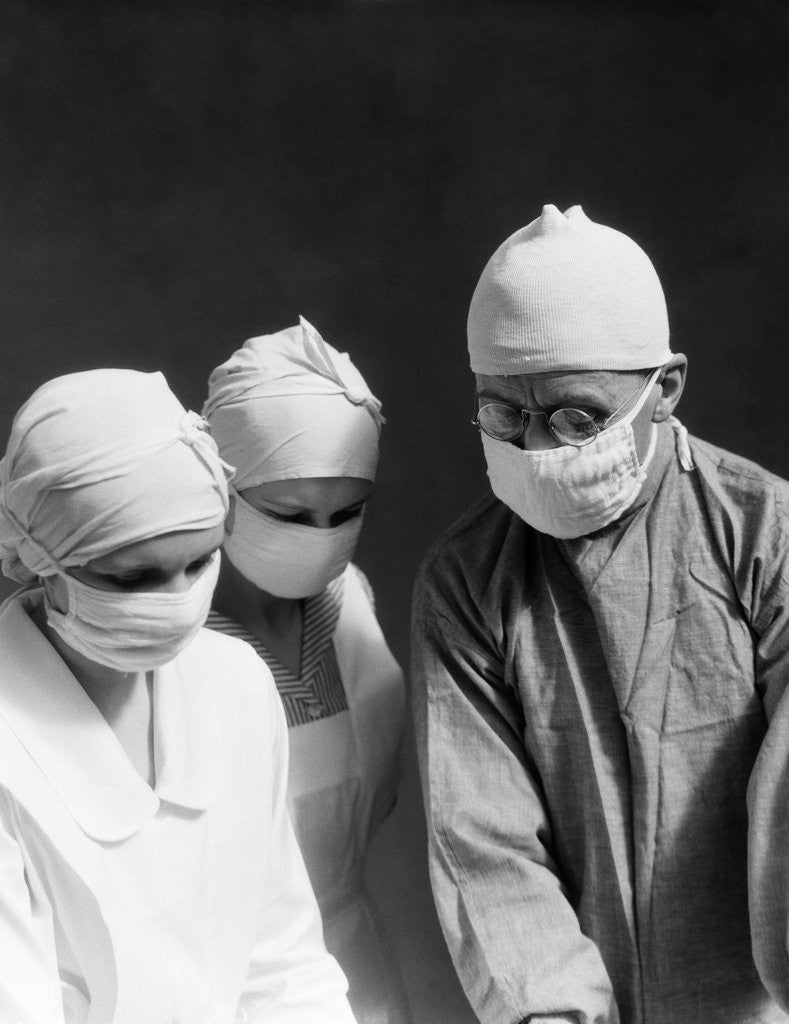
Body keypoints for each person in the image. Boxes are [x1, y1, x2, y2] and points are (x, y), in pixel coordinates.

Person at [411, 203, 789, 1023]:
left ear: (666, 388)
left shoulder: (763, 535)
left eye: (576, 416)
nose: (539, 449)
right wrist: (551, 1009)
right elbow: (482, 840)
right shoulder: (469, 579)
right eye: (504, 415)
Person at [0, 368, 356, 1024]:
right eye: (133, 578)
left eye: (198, 564)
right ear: (37, 560)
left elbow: (282, 961)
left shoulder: (235, 683)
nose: (176, 603)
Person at [203, 317, 410, 1024]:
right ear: (222, 488)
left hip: (354, 967)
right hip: (222, 987)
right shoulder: (170, 641)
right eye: (288, 514)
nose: (320, 542)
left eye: (345, 514)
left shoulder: (349, 601)